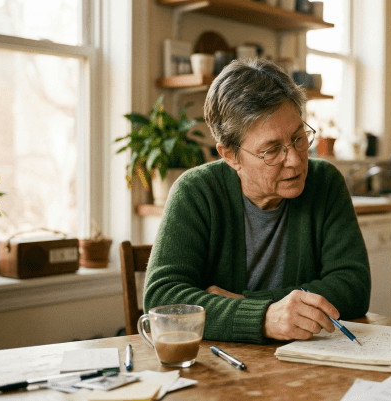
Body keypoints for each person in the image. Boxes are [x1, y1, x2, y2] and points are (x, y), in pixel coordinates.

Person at [143, 58, 371, 343]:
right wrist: (264, 318)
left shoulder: (325, 182)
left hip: (306, 364)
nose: (296, 160)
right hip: (218, 369)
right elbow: (162, 299)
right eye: (272, 150)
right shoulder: (195, 192)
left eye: (299, 138)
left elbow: (353, 287)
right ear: (230, 155)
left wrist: (251, 304)